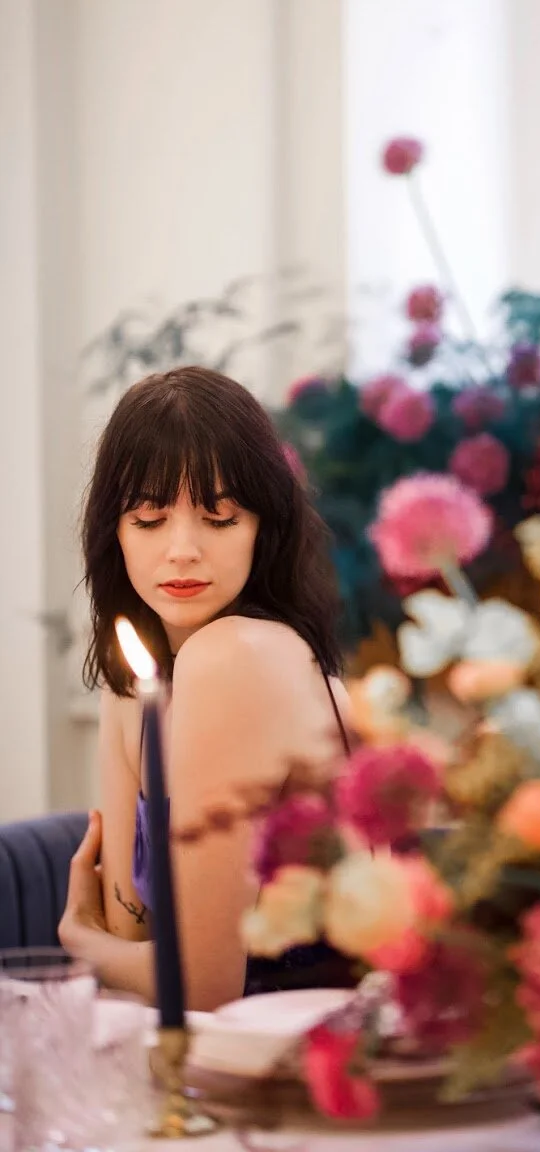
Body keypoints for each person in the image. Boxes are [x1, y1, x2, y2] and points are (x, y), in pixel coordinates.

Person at [59, 366, 353, 1010]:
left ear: (263, 529)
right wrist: (111, 947)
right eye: (149, 518)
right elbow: (133, 938)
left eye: (219, 518)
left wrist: (79, 941)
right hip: (216, 1069)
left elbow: (196, 986)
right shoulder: (135, 682)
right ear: (115, 532)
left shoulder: (237, 656)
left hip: (315, 1067)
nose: (182, 550)